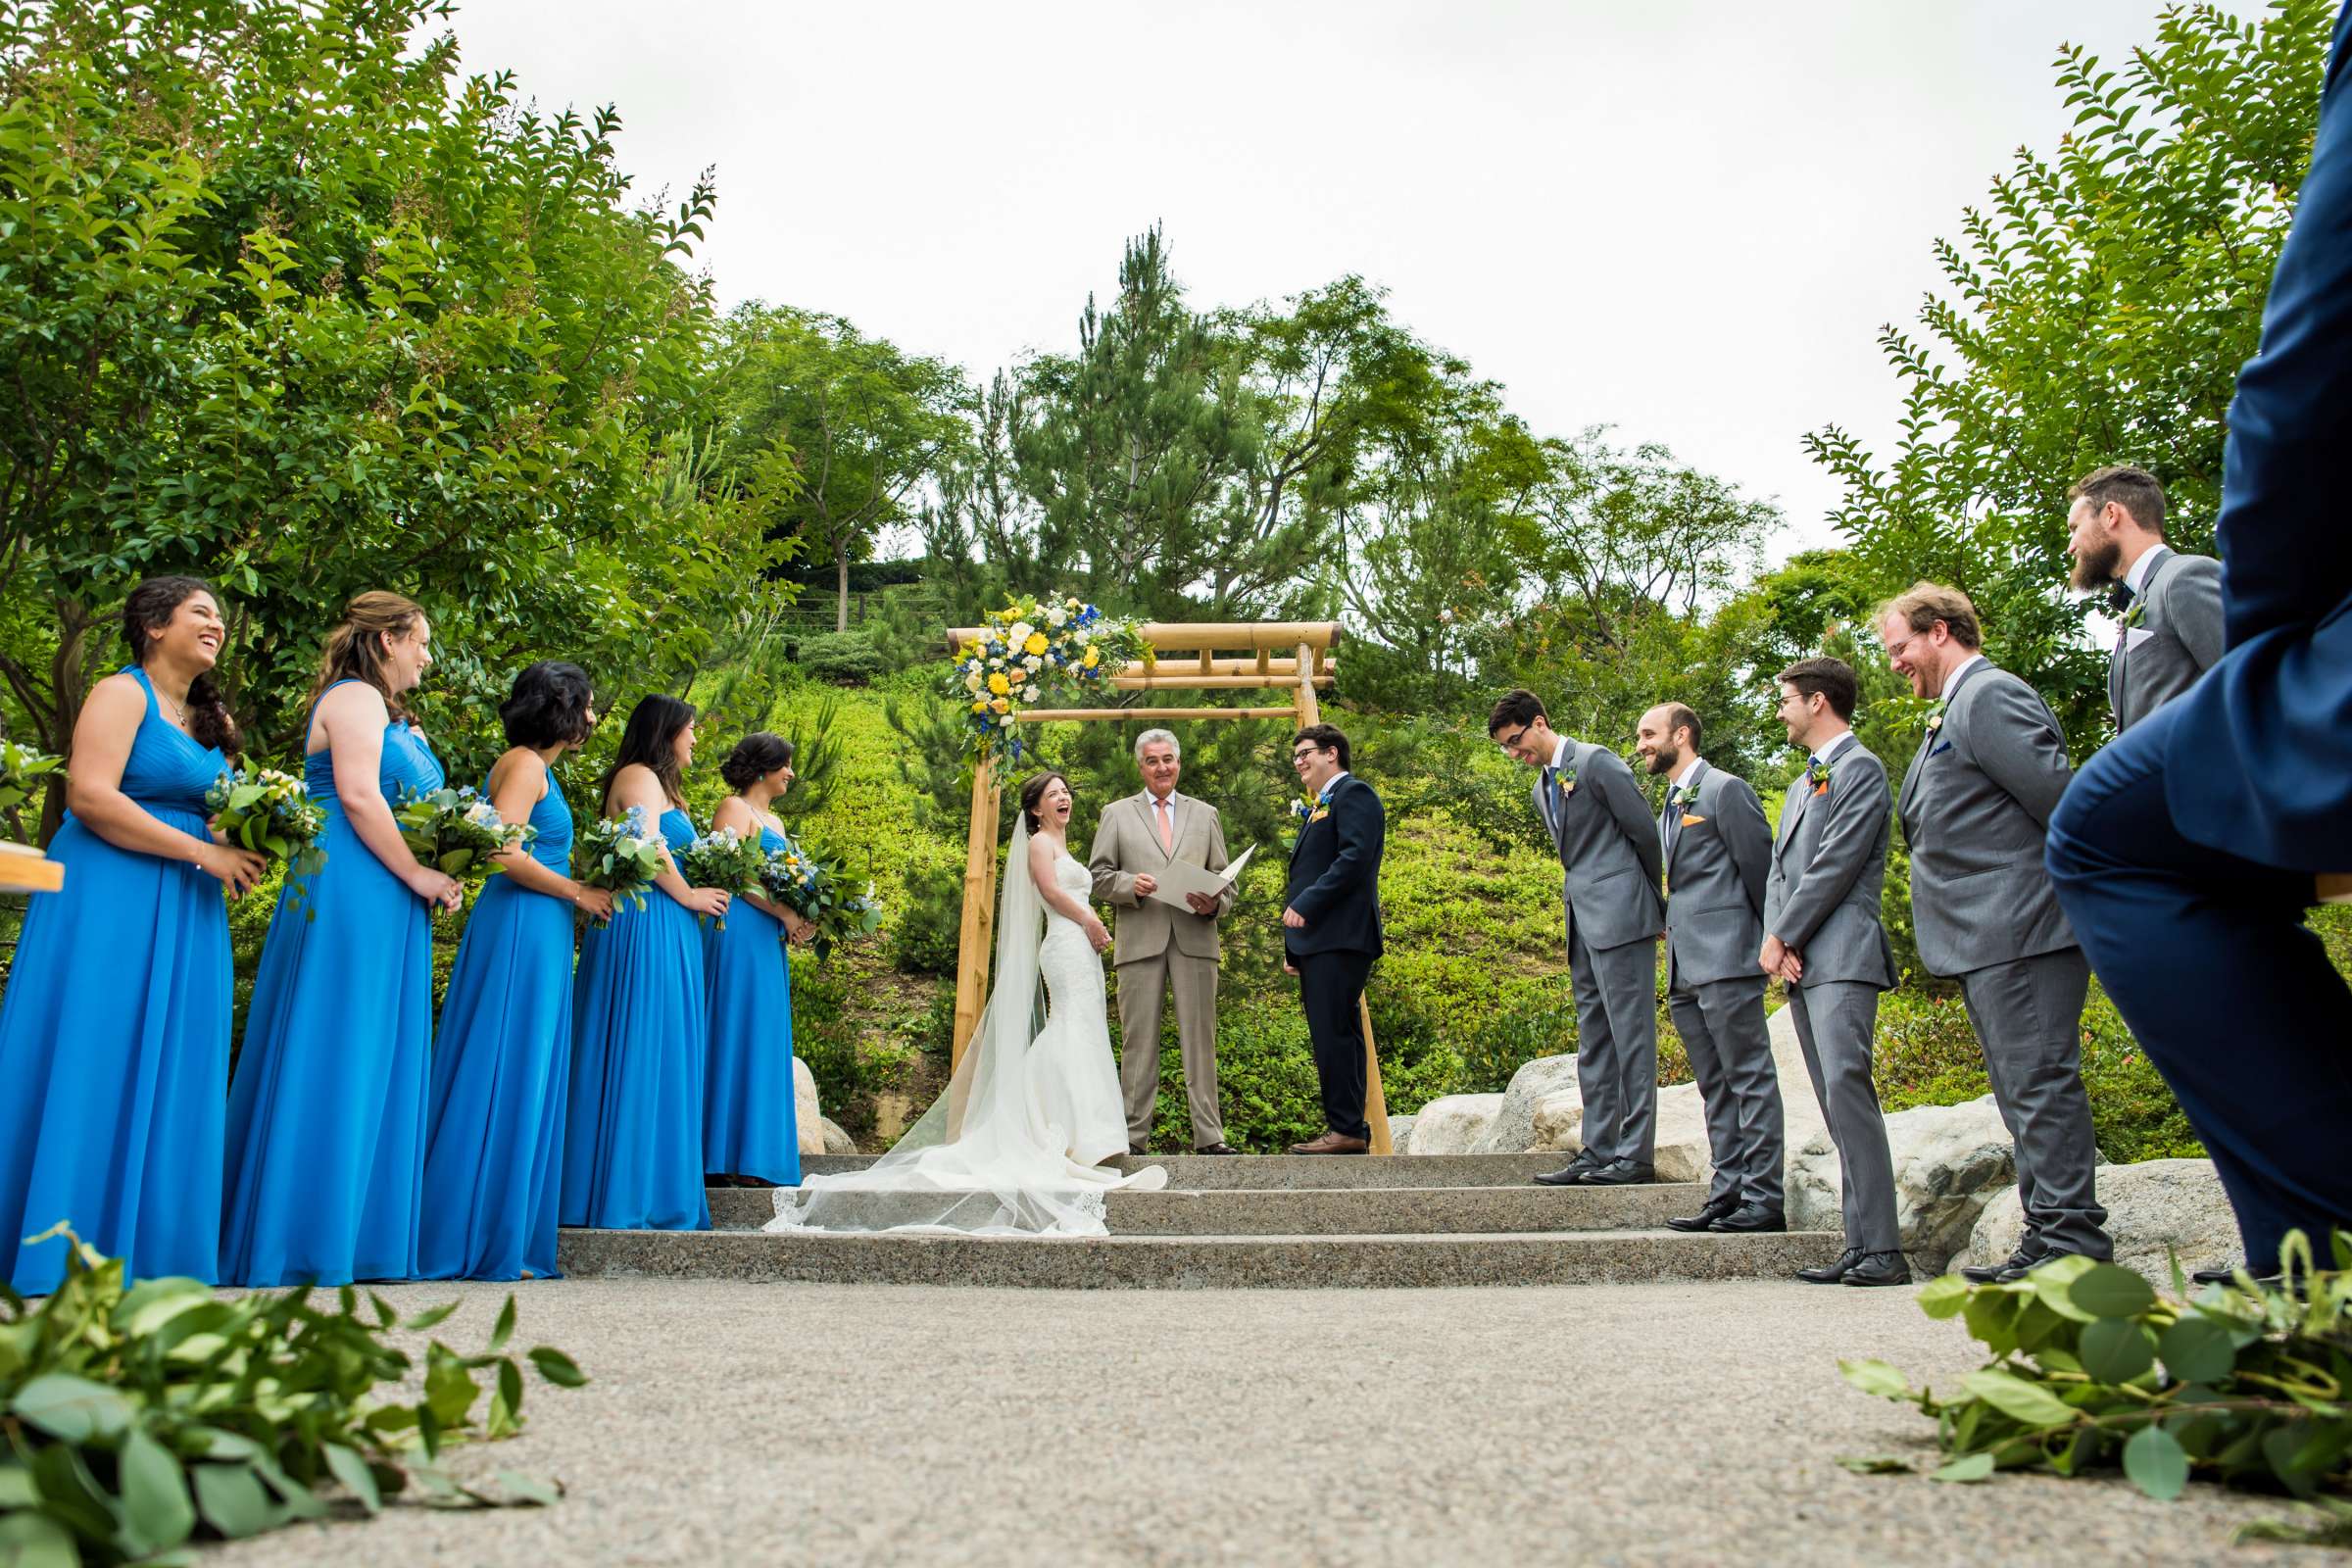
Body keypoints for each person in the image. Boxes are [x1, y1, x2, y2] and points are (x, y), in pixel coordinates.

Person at [2047, 2, 2352, 1286]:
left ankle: (2309, 1253)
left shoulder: (2184, 584)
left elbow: (2308, 360)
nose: (2070, 534)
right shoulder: (2134, 614)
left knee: (2106, 831)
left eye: (2074, 520)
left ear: (2115, 518)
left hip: (2262, 757)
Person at [0, 577, 266, 1294]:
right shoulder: (122, 694)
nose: (216, 623)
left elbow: (211, 811)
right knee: (93, 1051)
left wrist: (250, 832)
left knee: (176, 1062)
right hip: (109, 896)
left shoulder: (210, 720)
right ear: (153, 625)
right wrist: (203, 852)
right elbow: (89, 795)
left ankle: (151, 1253)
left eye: (218, 616)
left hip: (185, 907)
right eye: (201, 612)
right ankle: (54, 1248)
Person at [768, 771, 1166, 1235]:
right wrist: (1091, 920)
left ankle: (1078, 1130)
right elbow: (1051, 892)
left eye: (1065, 792)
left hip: (1080, 948)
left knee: (1085, 1029)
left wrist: (1089, 927)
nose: (1063, 798)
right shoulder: (1040, 843)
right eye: (1052, 794)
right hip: (1066, 942)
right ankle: (1045, 1123)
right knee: (1069, 1028)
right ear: (1035, 809)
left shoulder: (1065, 844)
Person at [221, 591, 464, 1287]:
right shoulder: (355, 698)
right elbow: (359, 795)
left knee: (371, 1048)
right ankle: (303, 1238)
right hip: (351, 880)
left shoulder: (386, 712)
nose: (426, 654)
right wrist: (419, 872)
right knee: (339, 1042)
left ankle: (351, 1233)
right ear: (388, 640)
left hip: (380, 885)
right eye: (420, 640)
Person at [1878, 582, 2113, 1282]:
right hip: (1988, 938)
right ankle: (2049, 1235)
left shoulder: (1989, 696)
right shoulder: (1954, 710)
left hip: (2024, 929)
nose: (1895, 664)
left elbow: (2064, 806)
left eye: (1900, 648)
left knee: (2040, 1083)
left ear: (1940, 632)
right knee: (2020, 1091)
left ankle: (2073, 1242)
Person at [416, 661, 612, 1281]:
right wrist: (578, 892)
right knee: (505, 1062)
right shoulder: (526, 765)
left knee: (525, 1065)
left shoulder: (535, 767)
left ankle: (500, 1226)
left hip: (540, 926)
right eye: (585, 706)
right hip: (523, 924)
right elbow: (503, 852)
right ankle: (472, 1233)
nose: (592, 717)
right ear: (563, 709)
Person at [1761, 659, 1908, 1288]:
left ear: (1818, 702)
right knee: (1831, 1101)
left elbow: (1835, 865)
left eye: (1787, 699)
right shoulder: (1801, 785)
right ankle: (1860, 1242)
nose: (1781, 711)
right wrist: (1781, 938)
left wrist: (1782, 935)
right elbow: (1780, 870)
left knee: (1850, 1092)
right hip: (1803, 962)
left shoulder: (1861, 770)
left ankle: (1884, 1251)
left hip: (1843, 954)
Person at [562, 695, 727, 1233]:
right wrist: (690, 897)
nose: (696, 739)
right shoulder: (637, 776)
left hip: (667, 927)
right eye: (691, 729)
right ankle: (626, 1194)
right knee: (640, 1045)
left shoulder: (662, 785)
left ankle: (651, 1185)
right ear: (666, 732)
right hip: (645, 923)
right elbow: (648, 845)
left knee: (664, 1049)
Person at [1487, 690, 1663, 1187]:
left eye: (1516, 741)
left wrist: (1651, 901)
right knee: (1595, 1040)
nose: (1514, 754)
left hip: (1623, 915)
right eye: (1505, 747)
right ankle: (1599, 1148)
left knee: (1632, 1036)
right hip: (1580, 922)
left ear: (1539, 723)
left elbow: (1645, 834)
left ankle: (1635, 1154)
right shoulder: (1542, 788)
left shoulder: (1596, 763)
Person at [1633, 703, 1783, 1234]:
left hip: (1727, 959)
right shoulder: (1672, 802)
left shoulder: (1725, 790)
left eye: (1648, 735)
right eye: (1639, 738)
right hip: (1683, 966)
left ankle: (1765, 1199)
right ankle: (1728, 1191)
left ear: (1683, 733)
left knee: (1750, 1079)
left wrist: (1775, 943)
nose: (1641, 745)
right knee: (1714, 1085)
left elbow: (1762, 873)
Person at [1088, 728, 1240, 1155]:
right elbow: (1098, 877)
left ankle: (1210, 1137)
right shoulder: (1116, 814)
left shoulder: (1205, 813)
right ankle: (1132, 1137)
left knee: (1201, 1039)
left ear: (1179, 763)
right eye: (1153, 760)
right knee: (1138, 1042)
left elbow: (1226, 883)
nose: (1162, 767)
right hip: (1140, 939)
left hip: (1195, 939)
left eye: (1168, 759)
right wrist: (1130, 884)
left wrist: (1214, 905)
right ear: (1140, 766)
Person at [704, 731, 814, 1190]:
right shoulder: (734, 809)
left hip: (767, 938)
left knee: (763, 1035)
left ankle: (755, 1156)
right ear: (765, 768)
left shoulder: (778, 823)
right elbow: (730, 876)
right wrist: (785, 911)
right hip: (737, 933)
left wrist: (804, 914)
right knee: (733, 1030)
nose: (791, 772)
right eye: (785, 764)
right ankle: (717, 1155)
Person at [1281, 724, 1385, 1155]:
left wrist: (1308, 903)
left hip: (1340, 934)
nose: (1299, 761)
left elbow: (1356, 857)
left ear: (1332, 753)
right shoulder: (1322, 804)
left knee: (1334, 1033)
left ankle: (1346, 1130)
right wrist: (1294, 947)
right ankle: (1348, 1128)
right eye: (1296, 756)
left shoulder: (1354, 795)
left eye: (1305, 753)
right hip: (1318, 939)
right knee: (1334, 1031)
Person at [2062, 464, 2225, 732]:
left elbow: (2255, 689)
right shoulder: (2143, 598)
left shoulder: (2183, 578)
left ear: (2111, 514)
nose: (2071, 547)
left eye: (2075, 527)